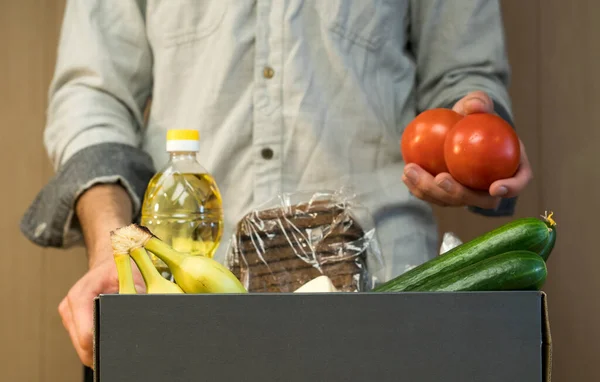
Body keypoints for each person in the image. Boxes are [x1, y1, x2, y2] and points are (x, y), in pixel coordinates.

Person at [20, 1, 532, 380]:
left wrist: (475, 145)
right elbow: (92, 100)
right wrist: (114, 246)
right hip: (184, 310)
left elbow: (465, 79)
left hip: (382, 305)